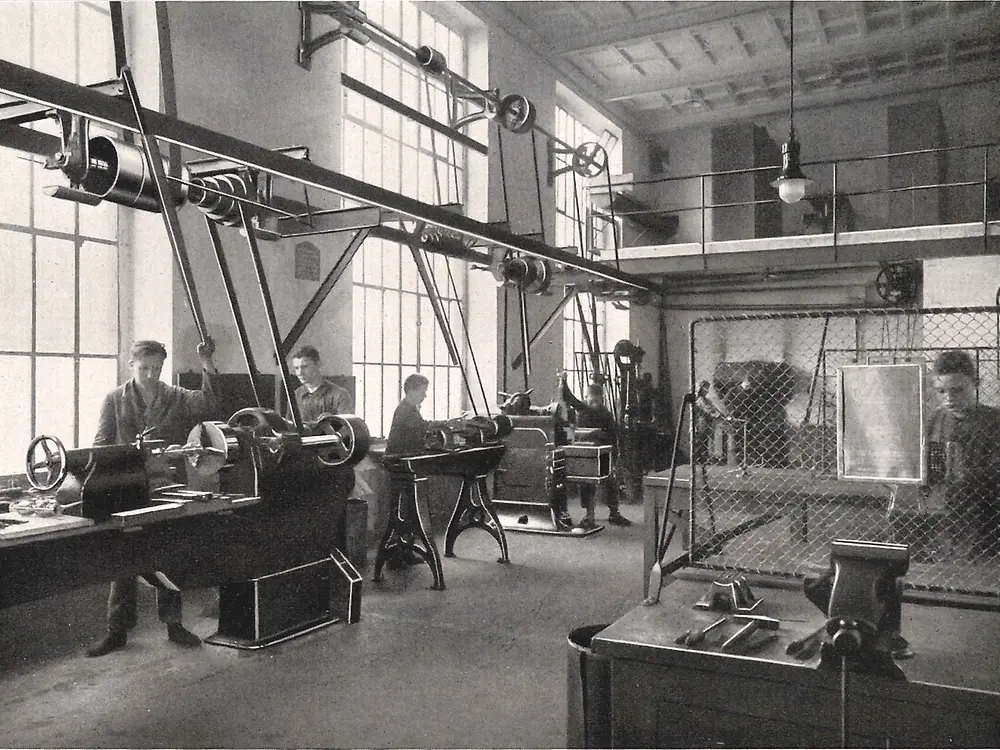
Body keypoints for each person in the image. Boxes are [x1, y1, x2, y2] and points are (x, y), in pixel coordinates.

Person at [86, 338, 220, 658]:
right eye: (144, 368)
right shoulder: (114, 399)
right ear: (131, 366)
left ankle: (174, 625)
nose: (150, 374)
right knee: (124, 559)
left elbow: (210, 405)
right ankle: (117, 630)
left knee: (168, 555)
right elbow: (101, 445)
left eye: (157, 368)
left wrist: (207, 363)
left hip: (166, 486)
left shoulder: (174, 396)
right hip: (126, 489)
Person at [925, 350, 1000, 560]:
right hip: (943, 516)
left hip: (986, 516)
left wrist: (963, 476)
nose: (949, 398)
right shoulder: (935, 420)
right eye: (941, 391)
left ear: (976, 383)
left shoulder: (993, 422)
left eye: (957, 390)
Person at [561, 377, 632, 529]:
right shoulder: (582, 408)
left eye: (596, 401)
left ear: (602, 399)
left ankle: (614, 513)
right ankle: (589, 515)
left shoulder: (606, 414)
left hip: (604, 452)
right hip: (587, 452)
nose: (593, 404)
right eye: (590, 401)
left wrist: (613, 451)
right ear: (586, 398)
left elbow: (613, 436)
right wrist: (563, 381)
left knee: (610, 482)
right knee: (586, 484)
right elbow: (568, 397)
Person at [289, 345, 354, 423]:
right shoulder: (296, 395)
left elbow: (347, 429)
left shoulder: (339, 395)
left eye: (305, 367)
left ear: (318, 364)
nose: (300, 373)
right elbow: (289, 428)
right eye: (296, 368)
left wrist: (333, 422)